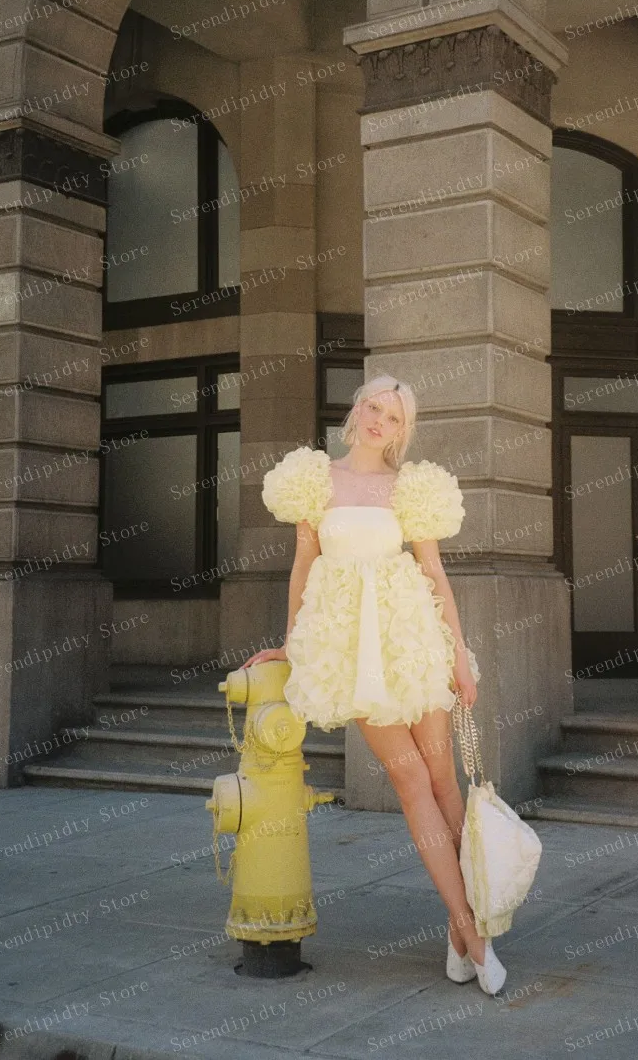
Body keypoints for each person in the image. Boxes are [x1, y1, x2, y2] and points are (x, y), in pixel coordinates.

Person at [243, 373, 506, 996]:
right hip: (348, 649)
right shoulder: (312, 479)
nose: (377, 421)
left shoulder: (411, 487)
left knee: (445, 781)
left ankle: (456, 929)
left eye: (391, 415)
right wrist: (292, 639)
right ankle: (474, 934)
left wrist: (460, 656)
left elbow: (435, 573)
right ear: (354, 411)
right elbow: (303, 566)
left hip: (412, 636)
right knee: (411, 779)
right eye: (371, 407)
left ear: (400, 430)